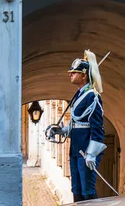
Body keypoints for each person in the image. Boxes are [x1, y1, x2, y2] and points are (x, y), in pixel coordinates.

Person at [50, 50, 106, 201]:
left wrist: (92, 153)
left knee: (87, 190)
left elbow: (97, 128)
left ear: (84, 75)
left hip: (86, 150)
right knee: (76, 189)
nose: (70, 75)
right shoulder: (80, 94)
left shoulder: (92, 96)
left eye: (74, 72)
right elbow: (77, 123)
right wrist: (62, 130)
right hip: (75, 149)